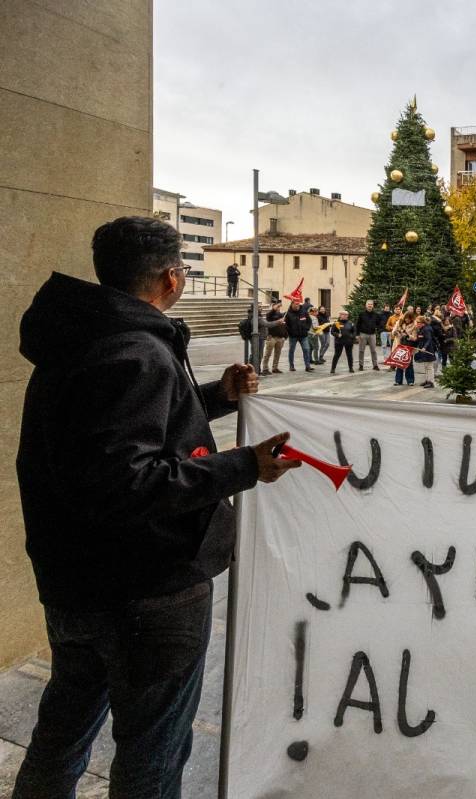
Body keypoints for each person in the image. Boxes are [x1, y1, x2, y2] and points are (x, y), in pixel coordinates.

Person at [13, 216, 300, 799]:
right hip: (147, 591)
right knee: (152, 753)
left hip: (74, 583)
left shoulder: (81, 339)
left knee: (62, 732)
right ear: (172, 277)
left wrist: (216, 396)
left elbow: (121, 433)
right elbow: (129, 480)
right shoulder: (137, 351)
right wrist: (244, 466)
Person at [284, 299, 313, 372]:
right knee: (291, 350)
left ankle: (307, 366)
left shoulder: (303, 311)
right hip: (293, 336)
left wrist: (307, 328)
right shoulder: (288, 313)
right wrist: (290, 332)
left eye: (298, 304)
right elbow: (286, 325)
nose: (297, 305)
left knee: (306, 349)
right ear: (292, 304)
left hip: (303, 335)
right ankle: (291, 366)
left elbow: (309, 321)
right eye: (296, 304)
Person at [261, 300, 286, 374]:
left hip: (280, 337)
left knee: (277, 354)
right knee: (268, 354)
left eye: (279, 307)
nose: (278, 308)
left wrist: (285, 336)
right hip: (272, 337)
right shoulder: (269, 315)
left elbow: (285, 323)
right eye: (277, 307)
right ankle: (265, 368)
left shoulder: (281, 315)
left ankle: (275, 368)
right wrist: (274, 309)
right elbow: (269, 314)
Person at [413, 315, 438, 387]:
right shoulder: (421, 329)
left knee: (429, 366)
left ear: (422, 323)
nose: (417, 324)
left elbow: (429, 339)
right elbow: (420, 339)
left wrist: (424, 347)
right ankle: (427, 380)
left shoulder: (427, 329)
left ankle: (431, 382)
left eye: (418, 322)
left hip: (429, 349)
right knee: (426, 366)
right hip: (424, 350)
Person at [356, 299, 381, 371]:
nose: (370, 305)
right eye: (368, 304)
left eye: (371, 304)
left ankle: (375, 365)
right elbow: (358, 325)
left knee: (373, 350)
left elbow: (379, 323)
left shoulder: (376, 315)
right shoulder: (361, 314)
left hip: (372, 334)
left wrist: (376, 328)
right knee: (361, 350)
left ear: (373, 306)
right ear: (366, 305)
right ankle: (361, 365)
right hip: (363, 334)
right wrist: (357, 334)